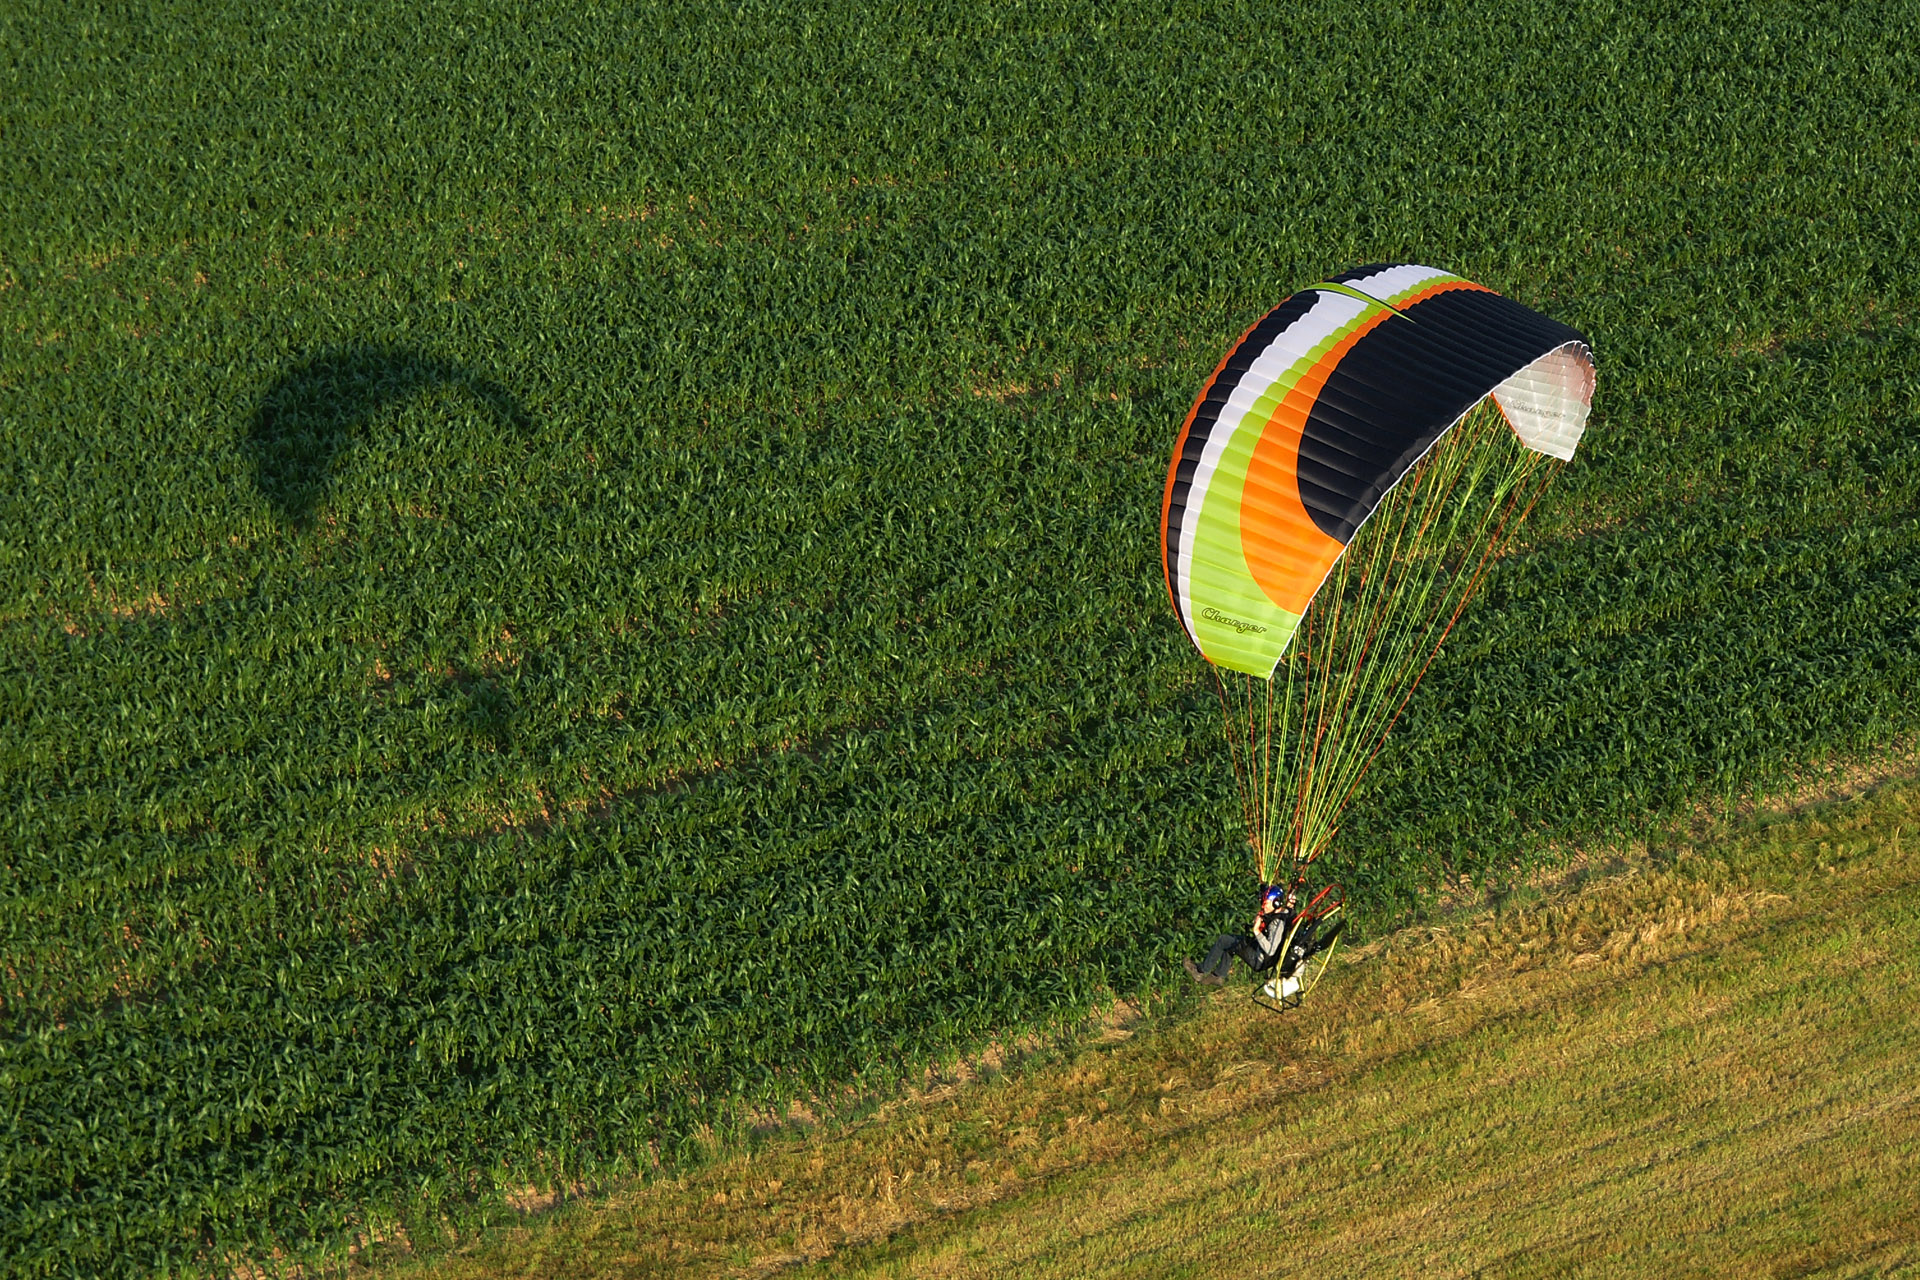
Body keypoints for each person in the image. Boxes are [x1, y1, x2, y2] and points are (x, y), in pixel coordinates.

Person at [1186, 884, 1295, 987]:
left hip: (1259, 960)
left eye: (1266, 903)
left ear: (1276, 903)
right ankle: (1218, 976)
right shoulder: (1285, 913)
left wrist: (1256, 930)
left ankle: (1200, 971)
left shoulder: (1277, 924)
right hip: (1259, 951)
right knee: (1230, 942)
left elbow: (1270, 950)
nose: (1263, 906)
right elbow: (1289, 910)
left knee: (1224, 940)